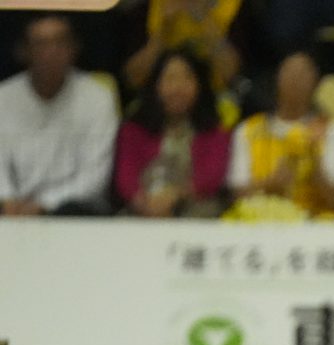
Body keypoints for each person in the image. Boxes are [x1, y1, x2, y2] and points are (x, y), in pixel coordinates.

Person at [0, 13, 117, 216]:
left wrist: (44, 205)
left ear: (74, 49)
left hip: (74, 209)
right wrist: (8, 200)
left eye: (60, 43)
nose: (51, 52)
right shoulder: (4, 96)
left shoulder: (98, 97)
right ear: (23, 51)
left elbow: (95, 175)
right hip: (11, 209)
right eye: (41, 44)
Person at [227, 49, 334, 222]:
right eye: (290, 72)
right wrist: (269, 184)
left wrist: (315, 169)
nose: (296, 79)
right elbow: (237, 195)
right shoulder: (247, 130)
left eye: (303, 73)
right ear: (277, 77)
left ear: (316, 82)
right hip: (259, 224)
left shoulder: (331, 130)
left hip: (318, 225)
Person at [116, 48, 228, 217]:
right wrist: (145, 204)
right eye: (170, 78)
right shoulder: (133, 129)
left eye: (187, 78)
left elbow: (211, 178)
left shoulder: (214, 131)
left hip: (195, 209)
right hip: (143, 208)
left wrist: (175, 195)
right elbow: (126, 177)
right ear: (155, 85)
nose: (178, 87)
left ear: (200, 86)